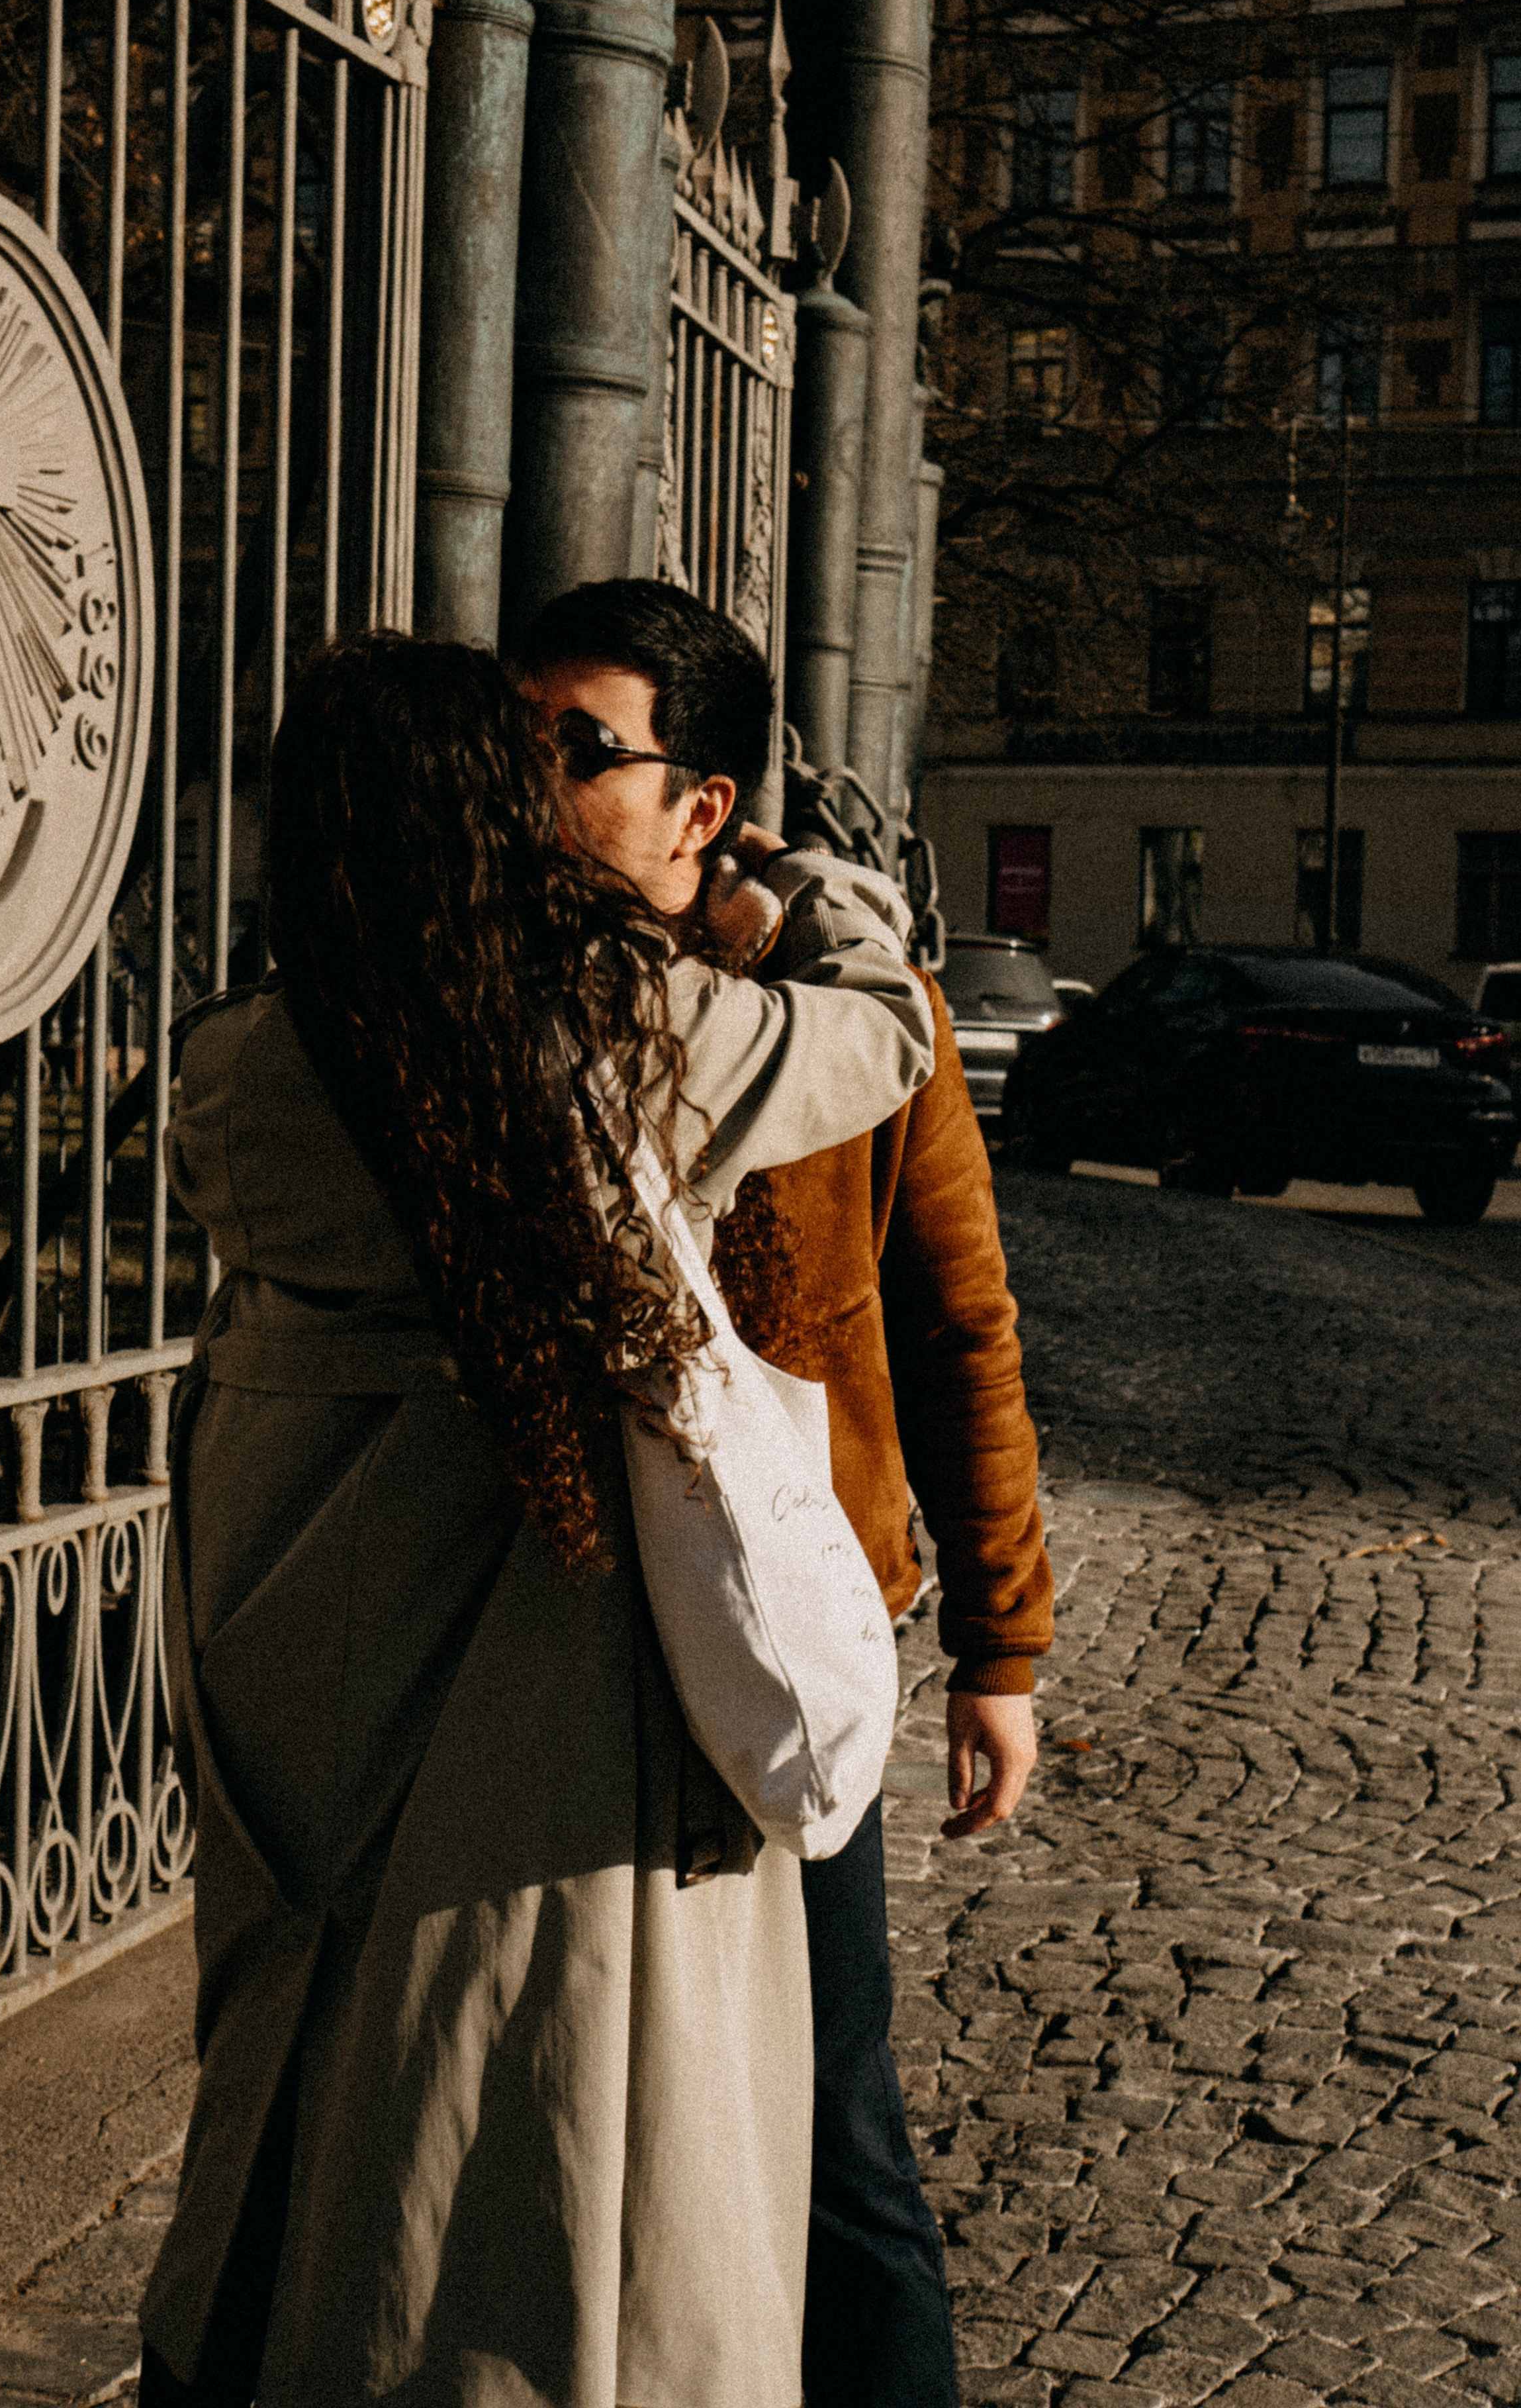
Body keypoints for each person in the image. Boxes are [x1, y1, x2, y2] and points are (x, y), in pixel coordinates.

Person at [138, 632, 941, 2408]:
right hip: (544, 1723)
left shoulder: (242, 1071)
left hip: (298, 1645)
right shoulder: (624, 1048)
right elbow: (884, 1033)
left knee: (311, 2077)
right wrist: (799, 880)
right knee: (559, 2125)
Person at [516, 581, 1055, 2408]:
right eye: (515, 740)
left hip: (771, 1633)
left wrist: (1002, 1651)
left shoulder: (852, 1023)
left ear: (705, 805)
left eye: (579, 749)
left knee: (831, 2123)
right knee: (574, 2117)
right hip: (560, 1642)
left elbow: (963, 1326)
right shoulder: (489, 996)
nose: (533, 783)